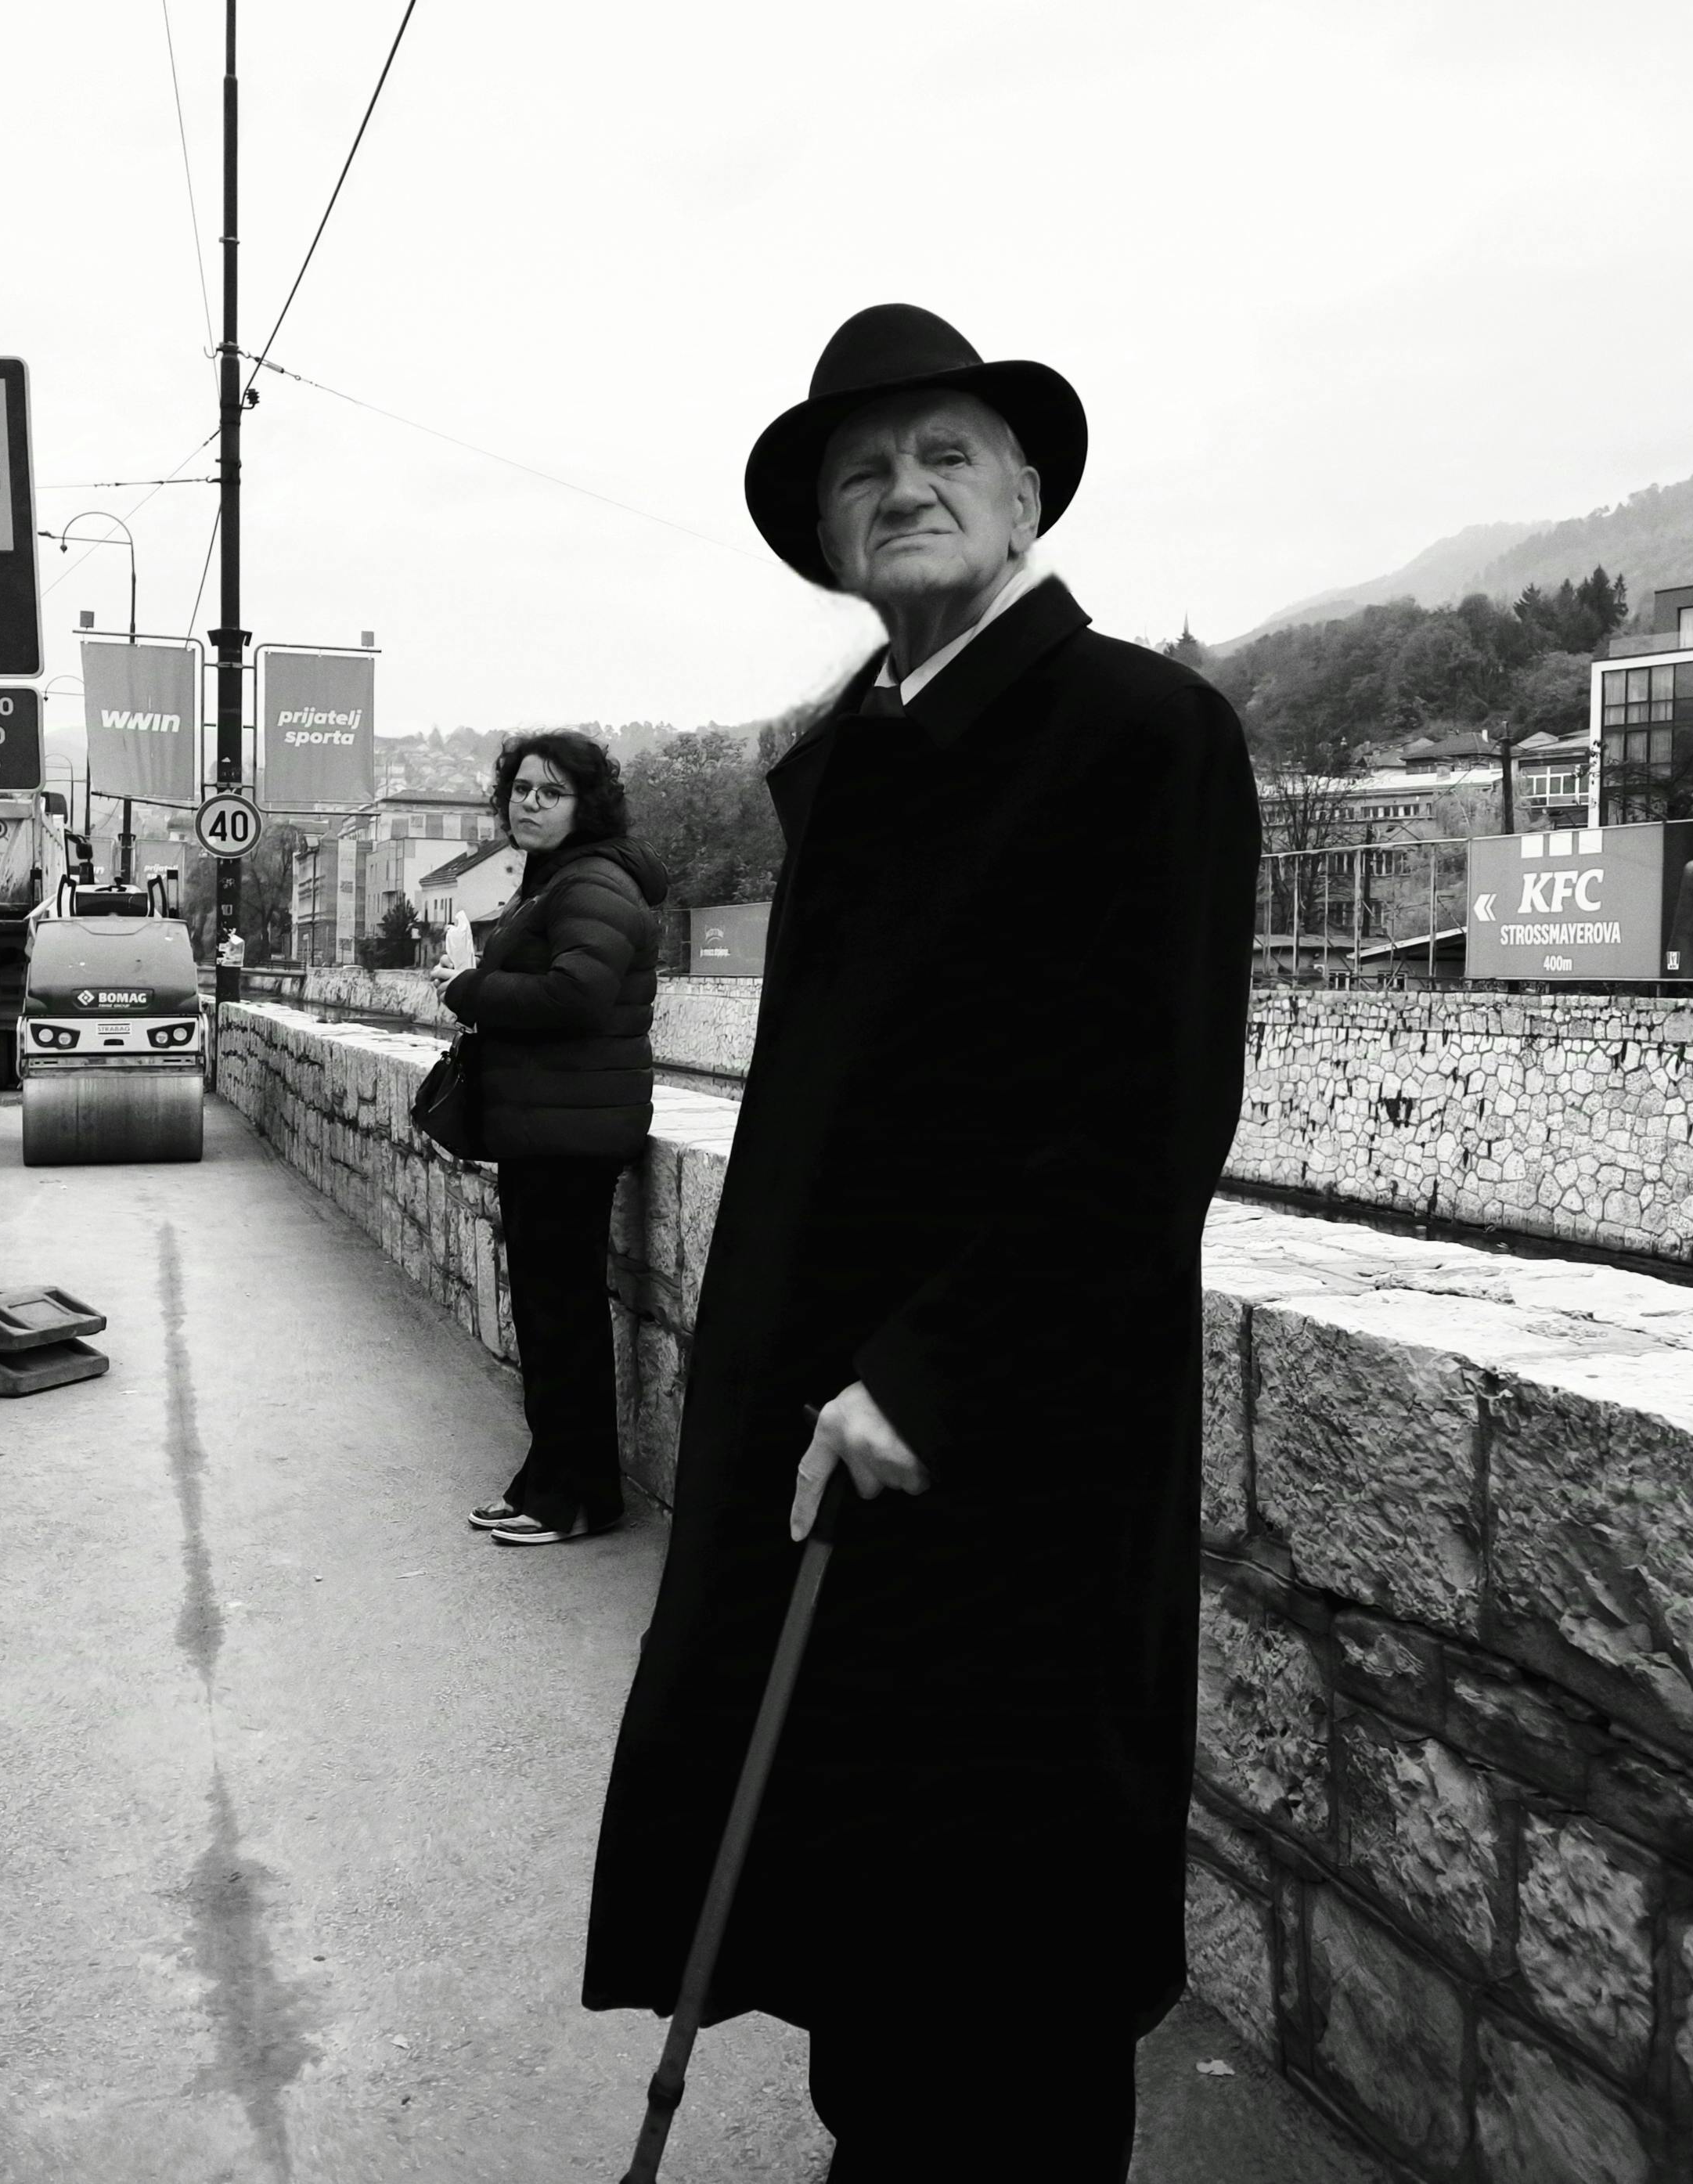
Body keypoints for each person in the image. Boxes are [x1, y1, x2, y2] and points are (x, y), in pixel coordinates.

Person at [581, 304, 1260, 2181]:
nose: (903, 490)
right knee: (868, 1910)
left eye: (944, 454)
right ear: (823, 537)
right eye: (861, 472)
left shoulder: (1141, 731)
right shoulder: (858, 765)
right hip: (830, 1434)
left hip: (996, 1437)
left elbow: (1147, 1117)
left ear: (1026, 491)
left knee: (1009, 1934)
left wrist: (927, 1371)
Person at [438, 732, 668, 1545]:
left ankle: (578, 1498)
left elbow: (576, 999)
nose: (528, 802)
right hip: (548, 1127)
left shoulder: (593, 883)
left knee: (562, 1318)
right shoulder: (555, 879)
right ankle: (548, 1479)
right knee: (546, 1315)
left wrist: (468, 989)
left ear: (586, 805)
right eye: (521, 788)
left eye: (550, 791)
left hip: (571, 1136)